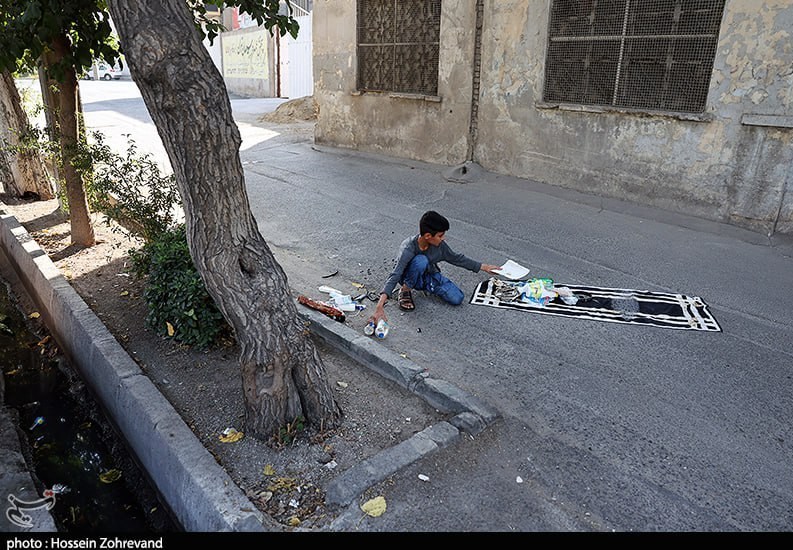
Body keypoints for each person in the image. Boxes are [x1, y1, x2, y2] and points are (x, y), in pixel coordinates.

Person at [369, 210, 502, 327]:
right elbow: (395, 274)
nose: (443, 239)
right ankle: (405, 290)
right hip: (408, 276)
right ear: (428, 236)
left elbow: (456, 258)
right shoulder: (408, 248)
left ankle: (428, 286)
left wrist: (483, 267)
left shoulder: (440, 246)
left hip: (429, 275)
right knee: (421, 260)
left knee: (457, 298)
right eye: (440, 235)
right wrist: (379, 306)